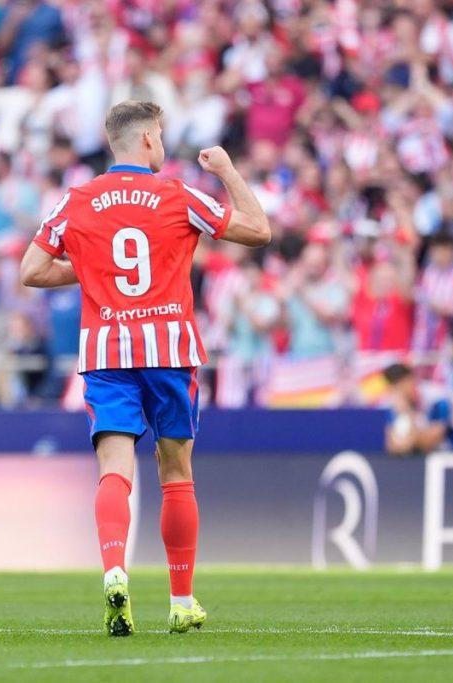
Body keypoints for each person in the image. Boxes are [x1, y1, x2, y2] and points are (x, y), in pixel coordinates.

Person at [20, 100, 270, 636]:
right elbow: (258, 230)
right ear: (150, 141)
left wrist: (92, 269)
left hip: (107, 351)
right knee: (176, 474)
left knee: (115, 471)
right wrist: (225, 169)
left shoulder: (78, 199)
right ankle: (181, 601)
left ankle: (115, 573)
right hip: (170, 351)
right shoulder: (178, 195)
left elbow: (32, 271)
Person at [383, 362, 453, 457]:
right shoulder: (396, 403)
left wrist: (406, 415)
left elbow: (429, 442)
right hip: (443, 455)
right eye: (393, 388)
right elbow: (392, 446)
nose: (396, 392)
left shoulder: (437, 399)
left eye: (399, 386)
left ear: (410, 381)